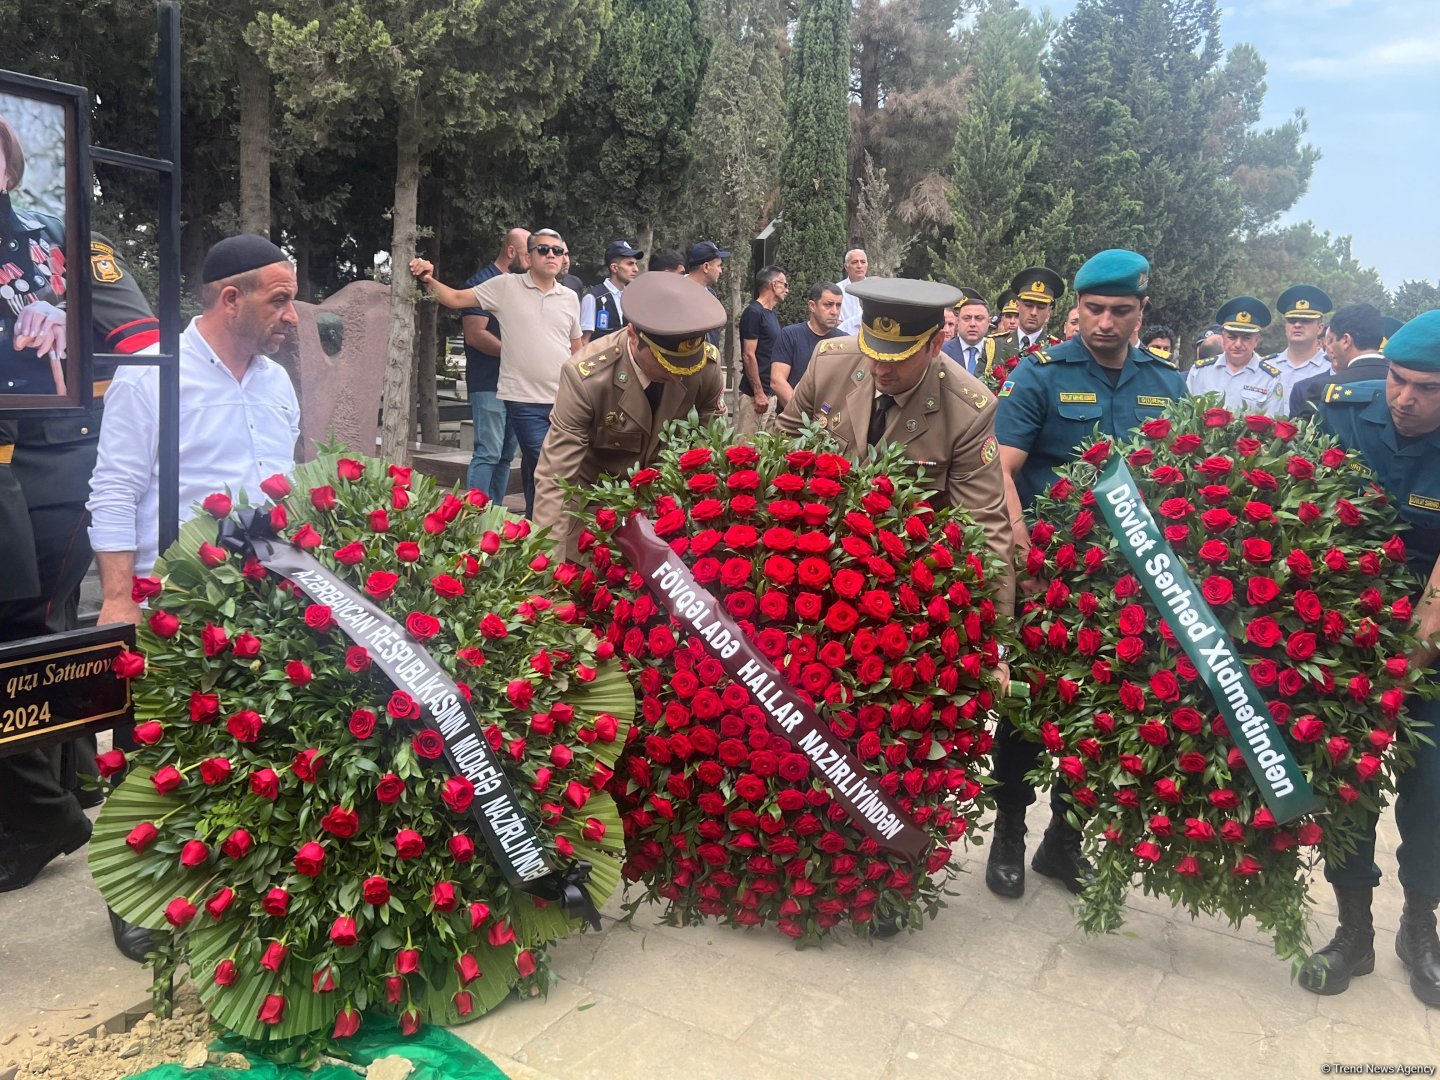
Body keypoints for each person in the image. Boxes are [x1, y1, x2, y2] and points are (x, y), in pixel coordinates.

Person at [84, 234, 301, 960]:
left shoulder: (275, 382)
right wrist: (119, 599)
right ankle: (135, 891)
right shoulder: (151, 376)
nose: (293, 317)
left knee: (240, 743)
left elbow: (286, 484)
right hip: (170, 599)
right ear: (229, 298)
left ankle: (230, 876)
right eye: (280, 300)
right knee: (151, 750)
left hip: (262, 596)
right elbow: (114, 489)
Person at [990, 249, 1187, 899]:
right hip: (1051, 574)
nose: (1104, 322)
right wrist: (1020, 545)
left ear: (1142, 311)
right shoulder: (1040, 373)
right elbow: (1002, 470)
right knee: (1026, 712)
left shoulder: (1165, 383)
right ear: (1076, 307)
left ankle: (1064, 840)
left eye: (1119, 311)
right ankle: (1010, 833)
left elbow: (1178, 481)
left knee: (1101, 711)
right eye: (1093, 308)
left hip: (1128, 586)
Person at [0, 156, 160, 908]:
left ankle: (47, 811)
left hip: (51, 460)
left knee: (39, 631)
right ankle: (67, 787)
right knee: (40, 631)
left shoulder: (58, 240)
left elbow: (142, 337)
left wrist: (66, 322)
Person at [1299, 310, 1440, 1006]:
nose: (1404, 399)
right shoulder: (1346, 412)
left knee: (1430, 784)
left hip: (1432, 631)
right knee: (1345, 776)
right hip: (1347, 627)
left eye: (1425, 389)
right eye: (1397, 380)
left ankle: (1420, 925)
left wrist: (1413, 654)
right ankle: (1353, 930)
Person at [777, 277, 1014, 611]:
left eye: (898, 357)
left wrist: (998, 645)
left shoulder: (967, 410)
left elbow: (984, 525)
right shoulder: (829, 361)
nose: (879, 369)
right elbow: (783, 442)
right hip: (810, 557)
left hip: (901, 586)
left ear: (935, 345)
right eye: (873, 351)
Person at [533, 272, 726, 559]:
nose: (677, 375)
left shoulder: (704, 367)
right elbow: (556, 478)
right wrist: (546, 567)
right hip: (597, 511)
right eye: (667, 364)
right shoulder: (586, 377)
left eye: (685, 366)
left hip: (668, 512)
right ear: (634, 335)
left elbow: (708, 450)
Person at [409, 229, 583, 518]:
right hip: (522, 398)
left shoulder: (570, 297)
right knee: (544, 459)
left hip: (561, 400)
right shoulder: (505, 286)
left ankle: (532, 524)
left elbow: (576, 350)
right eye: (543, 249)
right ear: (529, 255)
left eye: (558, 250)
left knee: (532, 463)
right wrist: (426, 278)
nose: (551, 255)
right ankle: (542, 522)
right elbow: (454, 298)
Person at [460, 228, 528, 503]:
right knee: (488, 452)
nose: (532, 261)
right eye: (527, 254)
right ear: (511, 251)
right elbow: (475, 335)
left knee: (505, 456)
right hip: (488, 382)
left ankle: (496, 517)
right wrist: (518, 354)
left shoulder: (521, 287)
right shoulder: (481, 283)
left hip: (515, 383)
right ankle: (474, 517)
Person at [1185, 297, 1285, 415]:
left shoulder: (1269, 378)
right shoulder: (1200, 371)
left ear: (1257, 340)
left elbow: (1272, 425)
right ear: (1223, 337)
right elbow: (1187, 415)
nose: (1238, 344)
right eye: (1232, 337)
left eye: (1246, 337)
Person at [1290, 303, 1387, 417]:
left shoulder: (1323, 390)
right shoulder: (1403, 382)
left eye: (1331, 341)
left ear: (1346, 340)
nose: (1328, 349)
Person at [769, 281, 843, 411]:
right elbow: (777, 381)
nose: (834, 312)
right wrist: (804, 417)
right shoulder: (790, 335)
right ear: (812, 306)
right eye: (828, 305)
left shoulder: (844, 341)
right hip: (791, 423)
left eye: (838, 306)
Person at [736, 265, 787, 436]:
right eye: (785, 285)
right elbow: (748, 355)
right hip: (755, 397)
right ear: (774, 284)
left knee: (766, 452)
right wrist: (758, 393)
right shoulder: (754, 313)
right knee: (746, 451)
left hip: (770, 395)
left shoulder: (770, 314)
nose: (787, 289)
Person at [1269, 284, 1333, 406]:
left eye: (1305, 320)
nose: (1297, 325)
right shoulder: (1266, 367)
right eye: (1292, 320)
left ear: (1320, 328)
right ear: (1286, 327)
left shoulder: (1330, 368)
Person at [579, 239, 643, 346]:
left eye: (636, 264)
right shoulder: (593, 298)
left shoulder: (632, 298)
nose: (636, 269)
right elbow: (584, 341)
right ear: (614, 267)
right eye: (630, 264)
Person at [685, 241, 731, 348]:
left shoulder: (711, 294)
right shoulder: (678, 293)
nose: (721, 271)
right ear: (706, 267)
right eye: (718, 266)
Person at [944, 289, 992, 377]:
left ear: (989, 321)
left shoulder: (997, 352)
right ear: (957, 321)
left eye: (979, 318)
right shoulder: (942, 352)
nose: (972, 324)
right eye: (966, 318)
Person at [836, 248, 869, 336]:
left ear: (867, 265)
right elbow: (834, 320)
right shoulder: (837, 289)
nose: (859, 266)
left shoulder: (875, 289)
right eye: (854, 262)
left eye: (863, 262)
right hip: (844, 337)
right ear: (846, 267)